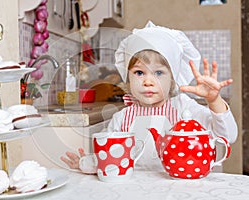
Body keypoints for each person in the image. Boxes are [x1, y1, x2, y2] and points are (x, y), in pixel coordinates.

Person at [60, 21, 238, 173]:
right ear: (127, 78)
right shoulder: (121, 119)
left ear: (173, 78)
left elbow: (227, 136)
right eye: (139, 72)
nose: (148, 81)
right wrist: (86, 164)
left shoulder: (184, 108)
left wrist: (214, 101)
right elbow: (111, 157)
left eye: (158, 73)